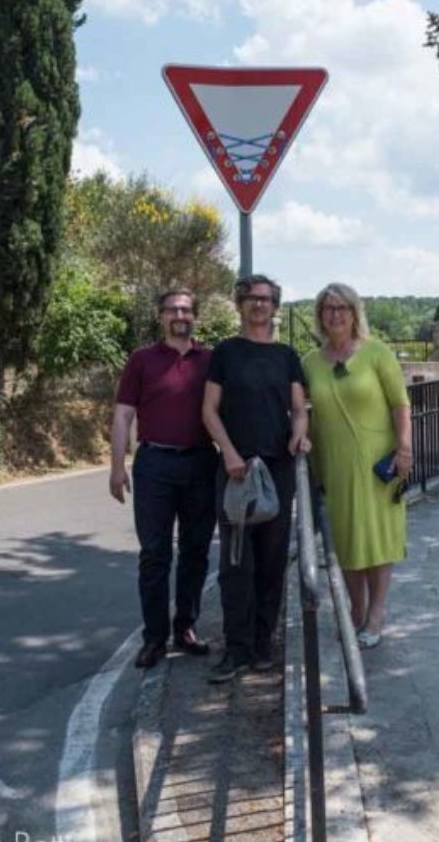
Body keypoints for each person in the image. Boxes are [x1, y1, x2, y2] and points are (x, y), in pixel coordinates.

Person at [202, 274, 310, 683]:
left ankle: (264, 645)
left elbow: (298, 408)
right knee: (235, 562)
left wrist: (300, 429)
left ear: (274, 306)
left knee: (271, 559)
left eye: (265, 299)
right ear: (240, 304)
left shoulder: (286, 355)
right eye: (251, 298)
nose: (258, 305)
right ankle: (237, 649)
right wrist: (228, 452)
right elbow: (209, 410)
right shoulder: (226, 353)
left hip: (277, 469)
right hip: (234, 471)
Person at [110, 288, 217, 669]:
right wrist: (116, 466)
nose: (180, 314)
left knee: (196, 550)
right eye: (173, 308)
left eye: (186, 309)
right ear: (161, 316)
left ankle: (185, 627)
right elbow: (123, 415)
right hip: (154, 464)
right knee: (154, 554)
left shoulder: (211, 360)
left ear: (194, 316)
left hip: (202, 464)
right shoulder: (142, 360)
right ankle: (154, 638)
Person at [302, 283, 412, 648]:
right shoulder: (310, 362)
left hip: (377, 462)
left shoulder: (377, 353)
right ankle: (356, 609)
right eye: (328, 309)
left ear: (354, 313)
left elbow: (400, 404)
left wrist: (405, 449)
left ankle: (376, 614)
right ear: (320, 316)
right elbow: (300, 412)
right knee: (347, 539)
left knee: (378, 537)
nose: (335, 315)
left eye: (342, 308)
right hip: (333, 463)